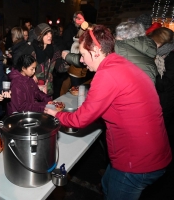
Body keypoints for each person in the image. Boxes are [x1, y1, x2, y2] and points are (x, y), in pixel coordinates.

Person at [44, 25, 172, 200]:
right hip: (154, 152)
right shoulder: (120, 63)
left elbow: (80, 120)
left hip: (138, 162)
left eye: (83, 55)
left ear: (96, 51)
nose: (81, 60)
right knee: (106, 184)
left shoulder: (106, 74)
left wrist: (55, 114)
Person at [32, 23, 69, 96]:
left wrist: (66, 60)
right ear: (39, 36)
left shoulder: (54, 50)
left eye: (50, 33)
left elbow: (60, 69)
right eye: (46, 34)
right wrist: (31, 75)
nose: (50, 36)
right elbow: (22, 70)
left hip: (47, 90)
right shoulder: (31, 50)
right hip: (33, 90)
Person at [148, 27, 174, 132]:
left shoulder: (171, 57)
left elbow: (165, 84)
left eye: (155, 42)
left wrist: (150, 71)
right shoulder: (157, 55)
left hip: (166, 103)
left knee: (161, 131)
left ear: (163, 43)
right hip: (156, 100)